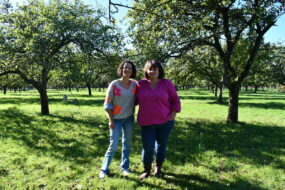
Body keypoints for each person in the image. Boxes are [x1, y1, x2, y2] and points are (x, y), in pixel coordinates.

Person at [136, 60, 181, 180]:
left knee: (161, 147)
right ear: (146, 70)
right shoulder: (141, 84)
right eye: (150, 69)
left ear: (159, 70)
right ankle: (146, 170)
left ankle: (158, 169)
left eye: (155, 69)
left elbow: (175, 100)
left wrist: (173, 115)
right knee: (148, 147)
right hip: (146, 123)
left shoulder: (166, 83)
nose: (152, 71)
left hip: (165, 122)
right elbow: (133, 100)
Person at [99, 60, 137, 179]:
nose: (127, 70)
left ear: (132, 71)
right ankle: (104, 169)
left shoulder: (135, 85)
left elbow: (140, 99)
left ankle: (125, 167)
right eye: (125, 68)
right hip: (116, 119)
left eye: (130, 68)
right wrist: (111, 120)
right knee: (113, 145)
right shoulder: (114, 84)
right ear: (121, 70)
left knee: (127, 144)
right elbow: (107, 104)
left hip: (129, 119)